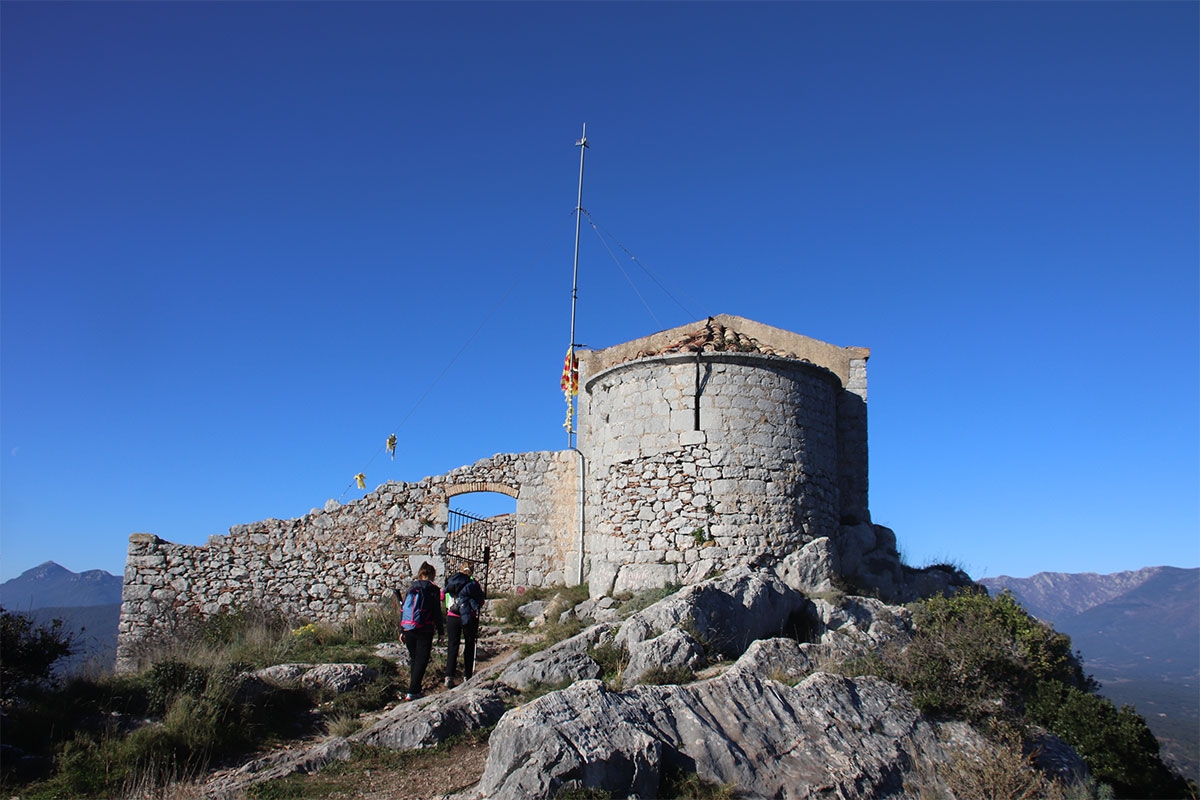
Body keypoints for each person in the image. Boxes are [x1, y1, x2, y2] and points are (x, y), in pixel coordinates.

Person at [400, 561, 443, 701]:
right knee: (422, 659)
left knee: (414, 658)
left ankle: (414, 689)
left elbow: (405, 609)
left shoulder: (412, 587)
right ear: (432, 575)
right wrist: (441, 631)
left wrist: (402, 629)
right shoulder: (433, 589)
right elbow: (436, 611)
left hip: (408, 627)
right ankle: (413, 691)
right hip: (425, 628)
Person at [442, 567, 485, 687]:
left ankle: (449, 676)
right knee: (469, 645)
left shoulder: (451, 582)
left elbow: (442, 596)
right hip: (468, 617)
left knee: (452, 645)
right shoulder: (473, 583)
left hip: (452, 616)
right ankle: (467, 675)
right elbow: (481, 601)